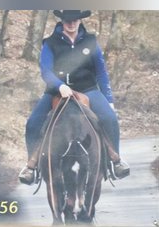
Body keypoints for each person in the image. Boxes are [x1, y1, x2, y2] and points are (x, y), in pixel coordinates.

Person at [18, 10, 130, 185]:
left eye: (74, 20)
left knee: (109, 118)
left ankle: (115, 161)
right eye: (67, 20)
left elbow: (101, 72)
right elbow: (46, 71)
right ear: (62, 20)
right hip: (56, 91)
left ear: (80, 20)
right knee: (33, 123)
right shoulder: (50, 43)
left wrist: (109, 100)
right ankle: (32, 166)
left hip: (88, 89)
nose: (71, 24)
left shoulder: (90, 41)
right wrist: (60, 85)